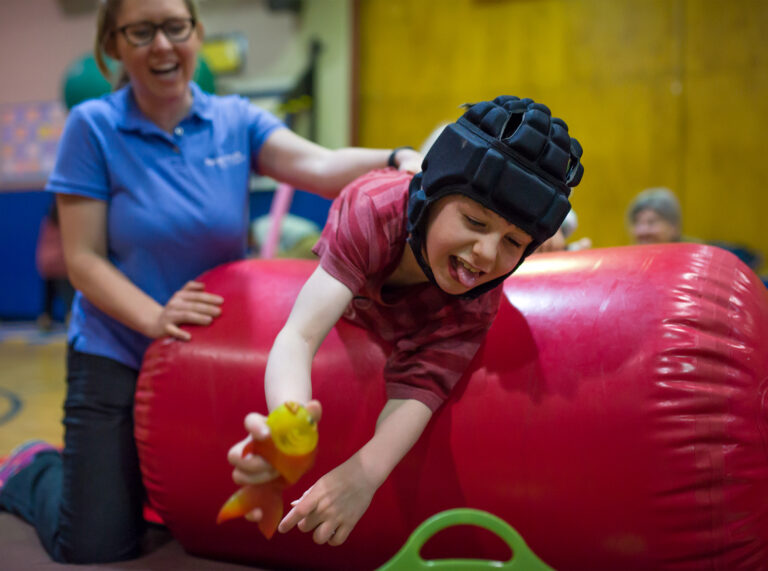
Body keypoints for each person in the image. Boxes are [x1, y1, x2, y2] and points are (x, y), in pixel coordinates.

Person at [0, 0, 420, 564]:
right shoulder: (94, 126)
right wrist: (154, 317)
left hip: (209, 354)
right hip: (117, 348)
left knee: (209, 515)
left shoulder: (234, 121)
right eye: (141, 31)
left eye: (176, 27)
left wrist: (396, 158)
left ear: (197, 34)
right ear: (113, 46)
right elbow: (82, 260)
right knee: (94, 543)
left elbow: (319, 166)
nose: (163, 45)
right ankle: (32, 466)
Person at [226, 96, 584, 545]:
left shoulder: (477, 297)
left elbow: (421, 389)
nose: (487, 254)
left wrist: (365, 472)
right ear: (430, 196)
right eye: (474, 221)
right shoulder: (373, 209)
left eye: (514, 242)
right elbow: (299, 334)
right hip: (357, 257)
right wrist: (286, 422)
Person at [35, 202, 75, 330]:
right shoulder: (66, 223)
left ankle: (45, 318)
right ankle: (71, 318)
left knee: (49, 295)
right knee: (69, 296)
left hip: (46, 262)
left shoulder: (48, 222)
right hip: (61, 264)